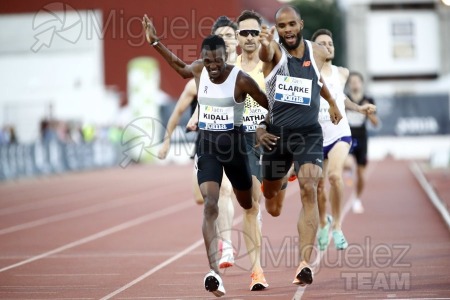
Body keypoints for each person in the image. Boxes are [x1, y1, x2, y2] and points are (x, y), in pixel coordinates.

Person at [142, 16, 269, 297]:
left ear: (227, 56)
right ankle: (214, 272)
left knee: (248, 204)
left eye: (217, 61)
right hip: (208, 149)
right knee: (210, 203)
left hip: (236, 150)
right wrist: (155, 42)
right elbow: (179, 66)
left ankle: (254, 243)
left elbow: (268, 105)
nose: (212, 67)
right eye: (207, 61)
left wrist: (261, 128)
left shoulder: (242, 80)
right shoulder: (199, 71)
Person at [256, 5, 342, 286]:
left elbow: (317, 80)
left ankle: (304, 264)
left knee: (309, 187)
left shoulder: (314, 51)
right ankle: (280, 181)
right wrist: (266, 44)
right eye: (282, 27)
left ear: (300, 24)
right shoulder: (274, 53)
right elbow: (265, 54)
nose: (288, 30)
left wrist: (331, 103)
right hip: (276, 136)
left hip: (308, 134)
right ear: (277, 30)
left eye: (292, 25)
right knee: (272, 205)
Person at [157, 16, 238, 270]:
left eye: (229, 35)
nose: (225, 40)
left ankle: (227, 245)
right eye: (220, 36)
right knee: (204, 199)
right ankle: (222, 232)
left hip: (237, 140)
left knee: (226, 193)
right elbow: (181, 109)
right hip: (206, 144)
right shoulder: (201, 73)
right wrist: (167, 140)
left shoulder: (245, 70)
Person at [311, 29, 376, 251]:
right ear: (313, 47)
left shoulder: (342, 73)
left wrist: (359, 108)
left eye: (330, 43)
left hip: (340, 132)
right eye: (322, 43)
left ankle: (337, 226)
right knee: (318, 187)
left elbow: (341, 97)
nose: (328, 46)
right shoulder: (306, 73)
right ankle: (323, 223)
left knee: (335, 177)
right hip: (316, 136)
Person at [234, 9, 270, 291]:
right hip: (239, 139)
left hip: (267, 138)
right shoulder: (228, 68)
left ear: (261, 35)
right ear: (237, 36)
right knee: (251, 205)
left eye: (253, 33)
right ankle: (257, 270)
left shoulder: (270, 65)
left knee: (274, 205)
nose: (249, 37)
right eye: (244, 32)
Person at [345, 72, 379, 213]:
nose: (354, 84)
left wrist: (368, 112)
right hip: (347, 137)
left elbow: (376, 123)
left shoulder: (368, 99)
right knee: (345, 164)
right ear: (348, 84)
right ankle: (348, 170)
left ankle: (357, 199)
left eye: (357, 81)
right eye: (352, 82)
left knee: (361, 173)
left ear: (361, 83)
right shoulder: (345, 99)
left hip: (362, 138)